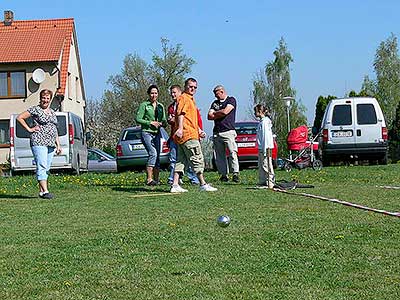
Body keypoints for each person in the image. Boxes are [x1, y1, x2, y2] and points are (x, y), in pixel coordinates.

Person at [170, 78, 217, 193]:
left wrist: (199, 130)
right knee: (197, 158)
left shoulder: (190, 99)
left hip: (188, 134)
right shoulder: (184, 98)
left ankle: (175, 185)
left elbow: (190, 119)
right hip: (188, 135)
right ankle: (203, 184)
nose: (193, 89)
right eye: (191, 86)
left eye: (195, 87)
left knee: (181, 161)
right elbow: (181, 114)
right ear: (185, 86)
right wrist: (180, 128)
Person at [17, 89, 62, 199]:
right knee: (41, 165)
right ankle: (46, 191)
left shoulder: (52, 112)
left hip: (50, 143)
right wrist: (30, 129)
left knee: (46, 167)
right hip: (38, 141)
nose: (45, 100)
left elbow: (54, 128)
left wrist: (58, 144)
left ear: (50, 100)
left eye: (47, 98)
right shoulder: (35, 109)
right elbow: (20, 118)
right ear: (40, 98)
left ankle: (41, 192)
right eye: (43, 98)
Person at [167, 85, 199, 185]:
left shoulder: (186, 100)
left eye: (174, 92)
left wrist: (199, 130)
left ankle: (194, 179)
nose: (173, 94)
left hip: (186, 135)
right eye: (171, 92)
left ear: (180, 92)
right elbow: (180, 116)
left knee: (190, 158)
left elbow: (194, 119)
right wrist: (174, 123)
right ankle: (174, 181)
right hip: (176, 136)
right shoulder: (171, 107)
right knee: (177, 159)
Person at [136, 84, 167, 186]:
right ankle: (149, 179)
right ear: (149, 94)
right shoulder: (144, 105)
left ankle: (156, 180)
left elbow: (164, 120)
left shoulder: (160, 106)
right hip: (146, 132)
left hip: (157, 133)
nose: (154, 95)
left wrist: (163, 123)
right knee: (152, 153)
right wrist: (150, 123)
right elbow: (138, 119)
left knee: (157, 156)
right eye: (152, 93)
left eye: (156, 93)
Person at [207, 85, 240, 183]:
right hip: (217, 132)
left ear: (222, 91)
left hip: (228, 131)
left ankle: (235, 173)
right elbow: (209, 116)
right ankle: (223, 174)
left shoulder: (231, 100)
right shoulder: (215, 103)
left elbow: (226, 112)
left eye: (217, 94)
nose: (216, 96)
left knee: (232, 152)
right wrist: (219, 113)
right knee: (219, 155)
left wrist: (216, 113)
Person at [254, 104, 275, 189]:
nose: (254, 113)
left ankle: (270, 182)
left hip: (266, 146)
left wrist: (265, 148)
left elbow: (266, 136)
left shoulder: (265, 122)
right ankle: (263, 181)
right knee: (262, 164)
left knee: (267, 164)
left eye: (255, 111)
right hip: (262, 147)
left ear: (260, 111)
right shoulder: (262, 122)